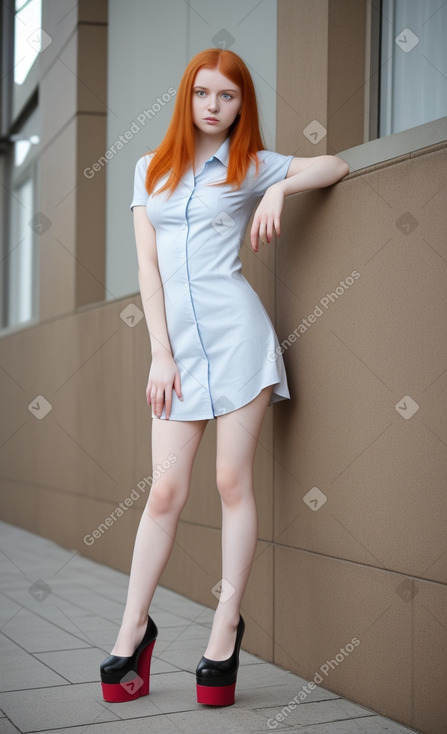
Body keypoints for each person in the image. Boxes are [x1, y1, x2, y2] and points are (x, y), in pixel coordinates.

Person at [100, 48, 349, 707]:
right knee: (163, 494)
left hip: (239, 344)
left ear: (242, 105)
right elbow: (147, 274)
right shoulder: (146, 171)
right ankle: (132, 630)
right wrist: (160, 353)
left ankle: (223, 628)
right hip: (176, 358)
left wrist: (276, 185)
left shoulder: (249, 165)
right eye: (203, 93)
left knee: (229, 482)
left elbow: (334, 164)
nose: (213, 106)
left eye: (228, 97)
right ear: (187, 97)